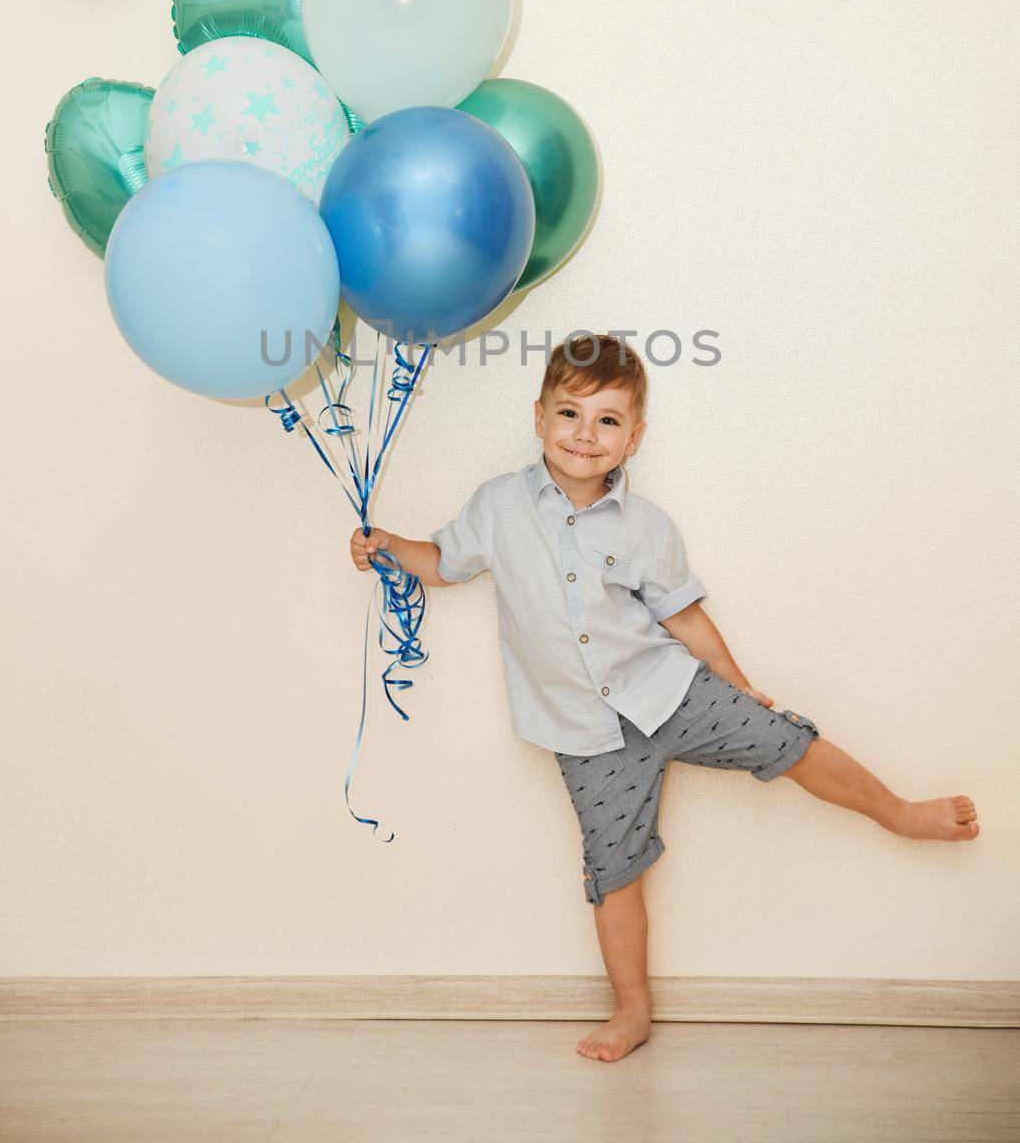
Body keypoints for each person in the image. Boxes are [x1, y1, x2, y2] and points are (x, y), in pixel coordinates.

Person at [349, 333, 979, 1064]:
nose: (585, 434)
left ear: (634, 437)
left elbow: (683, 617)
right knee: (613, 872)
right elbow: (443, 564)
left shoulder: (645, 527)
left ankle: (897, 811)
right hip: (584, 733)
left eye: (608, 420)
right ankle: (632, 1011)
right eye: (570, 413)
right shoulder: (498, 506)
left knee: (788, 742)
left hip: (667, 691)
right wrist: (387, 544)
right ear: (537, 417)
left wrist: (737, 685)